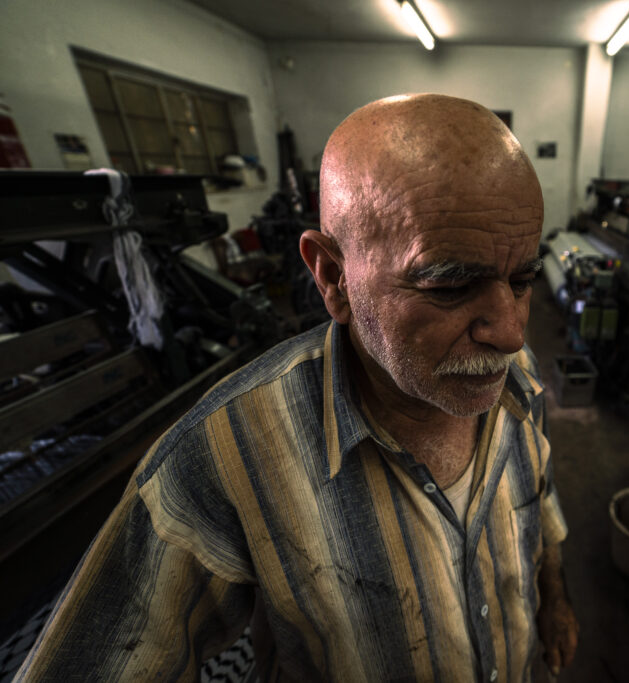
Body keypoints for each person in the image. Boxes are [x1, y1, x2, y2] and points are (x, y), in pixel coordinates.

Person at [16, 94, 578, 682]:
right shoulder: (223, 460)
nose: (512, 333)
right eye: (450, 285)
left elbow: (537, 494)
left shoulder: (520, 378)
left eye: (523, 279)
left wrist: (555, 595)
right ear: (333, 277)